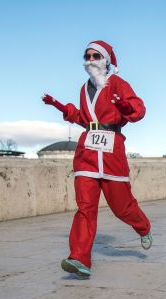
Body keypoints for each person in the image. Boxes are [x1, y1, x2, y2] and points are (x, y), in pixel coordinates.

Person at [42, 40, 152, 278]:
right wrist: (60, 106)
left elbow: (139, 109)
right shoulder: (84, 88)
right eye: (87, 56)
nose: (90, 60)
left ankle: (143, 227)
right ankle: (79, 258)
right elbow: (83, 117)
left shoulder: (119, 84)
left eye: (95, 56)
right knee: (85, 208)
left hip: (112, 153)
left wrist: (125, 105)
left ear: (106, 61)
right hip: (87, 154)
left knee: (122, 207)